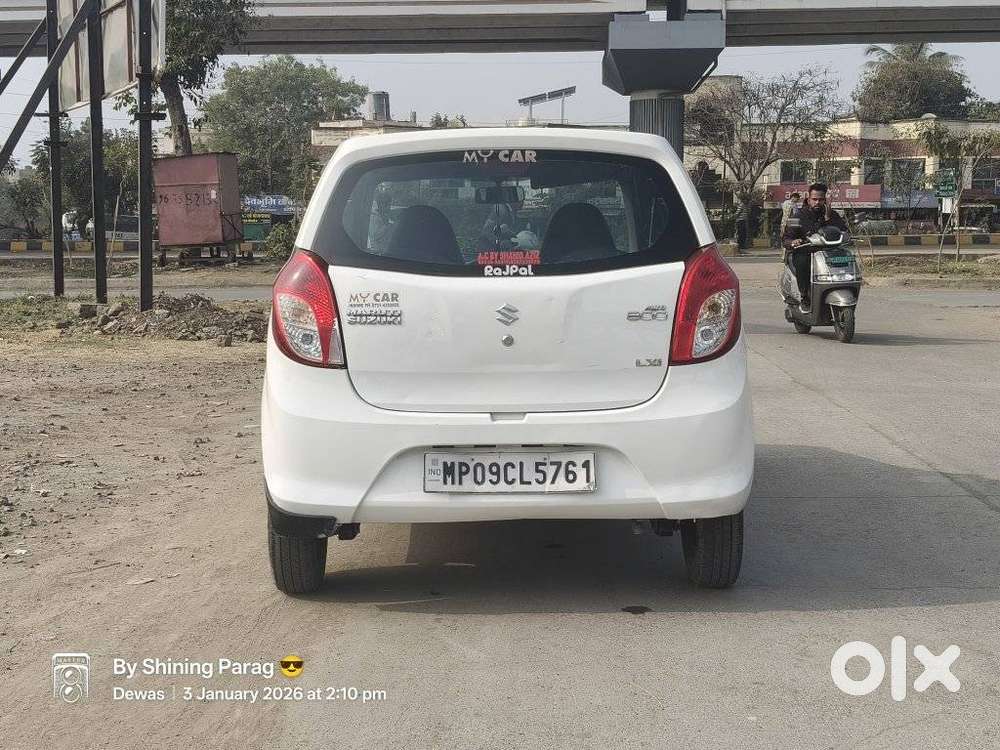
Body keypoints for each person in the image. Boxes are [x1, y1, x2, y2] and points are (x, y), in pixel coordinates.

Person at [781, 183, 848, 307]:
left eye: (821, 199)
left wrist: (828, 219)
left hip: (828, 251)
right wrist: (793, 242)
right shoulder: (797, 216)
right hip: (806, 251)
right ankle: (804, 295)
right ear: (808, 199)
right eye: (814, 199)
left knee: (846, 258)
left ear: (825, 200)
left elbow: (843, 230)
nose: (817, 202)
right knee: (802, 262)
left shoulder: (832, 214)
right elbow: (786, 238)